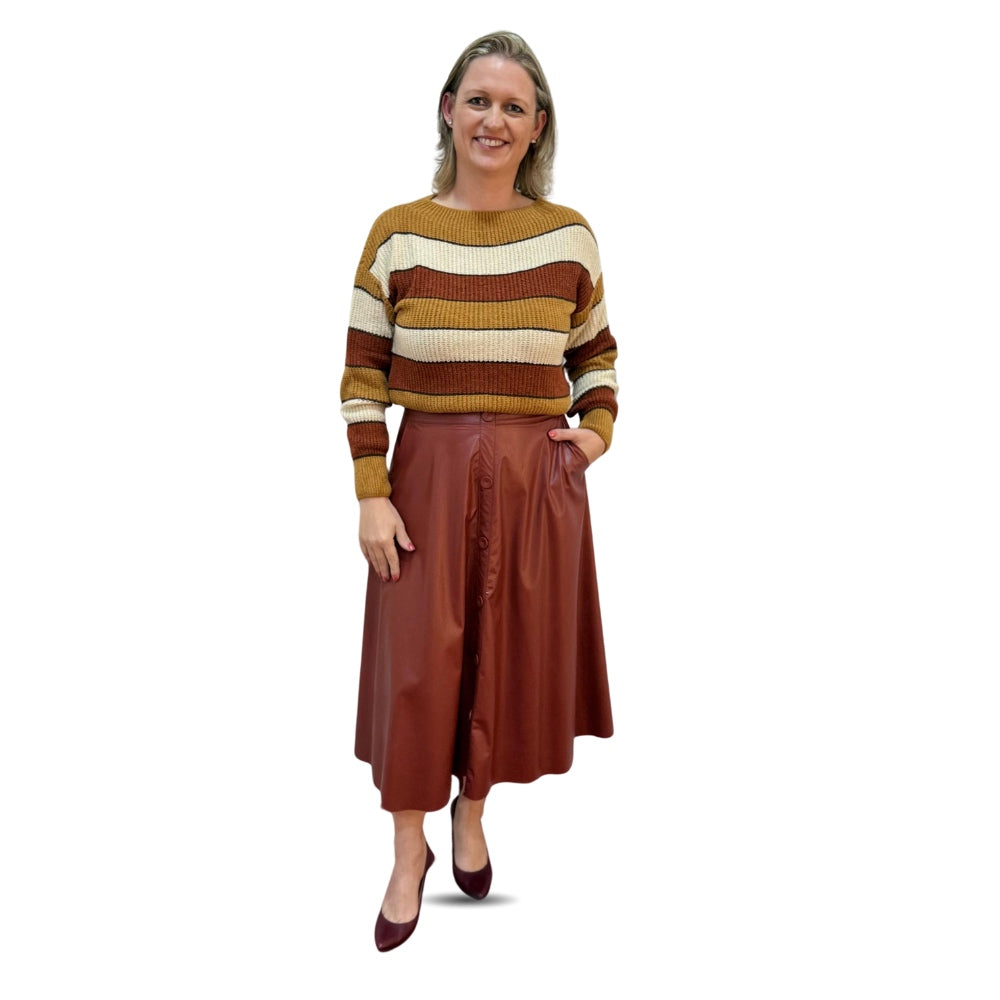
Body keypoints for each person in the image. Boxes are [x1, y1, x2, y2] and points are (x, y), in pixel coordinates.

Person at [339, 30, 619, 952]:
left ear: (538, 127)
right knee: (418, 669)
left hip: (537, 480)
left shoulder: (568, 235)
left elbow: (596, 354)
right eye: (478, 100)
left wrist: (596, 432)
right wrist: (371, 490)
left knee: (503, 659)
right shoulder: (398, 232)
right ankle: (407, 850)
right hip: (425, 473)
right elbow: (363, 370)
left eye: (513, 106)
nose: (493, 119)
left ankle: (472, 811)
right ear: (447, 111)